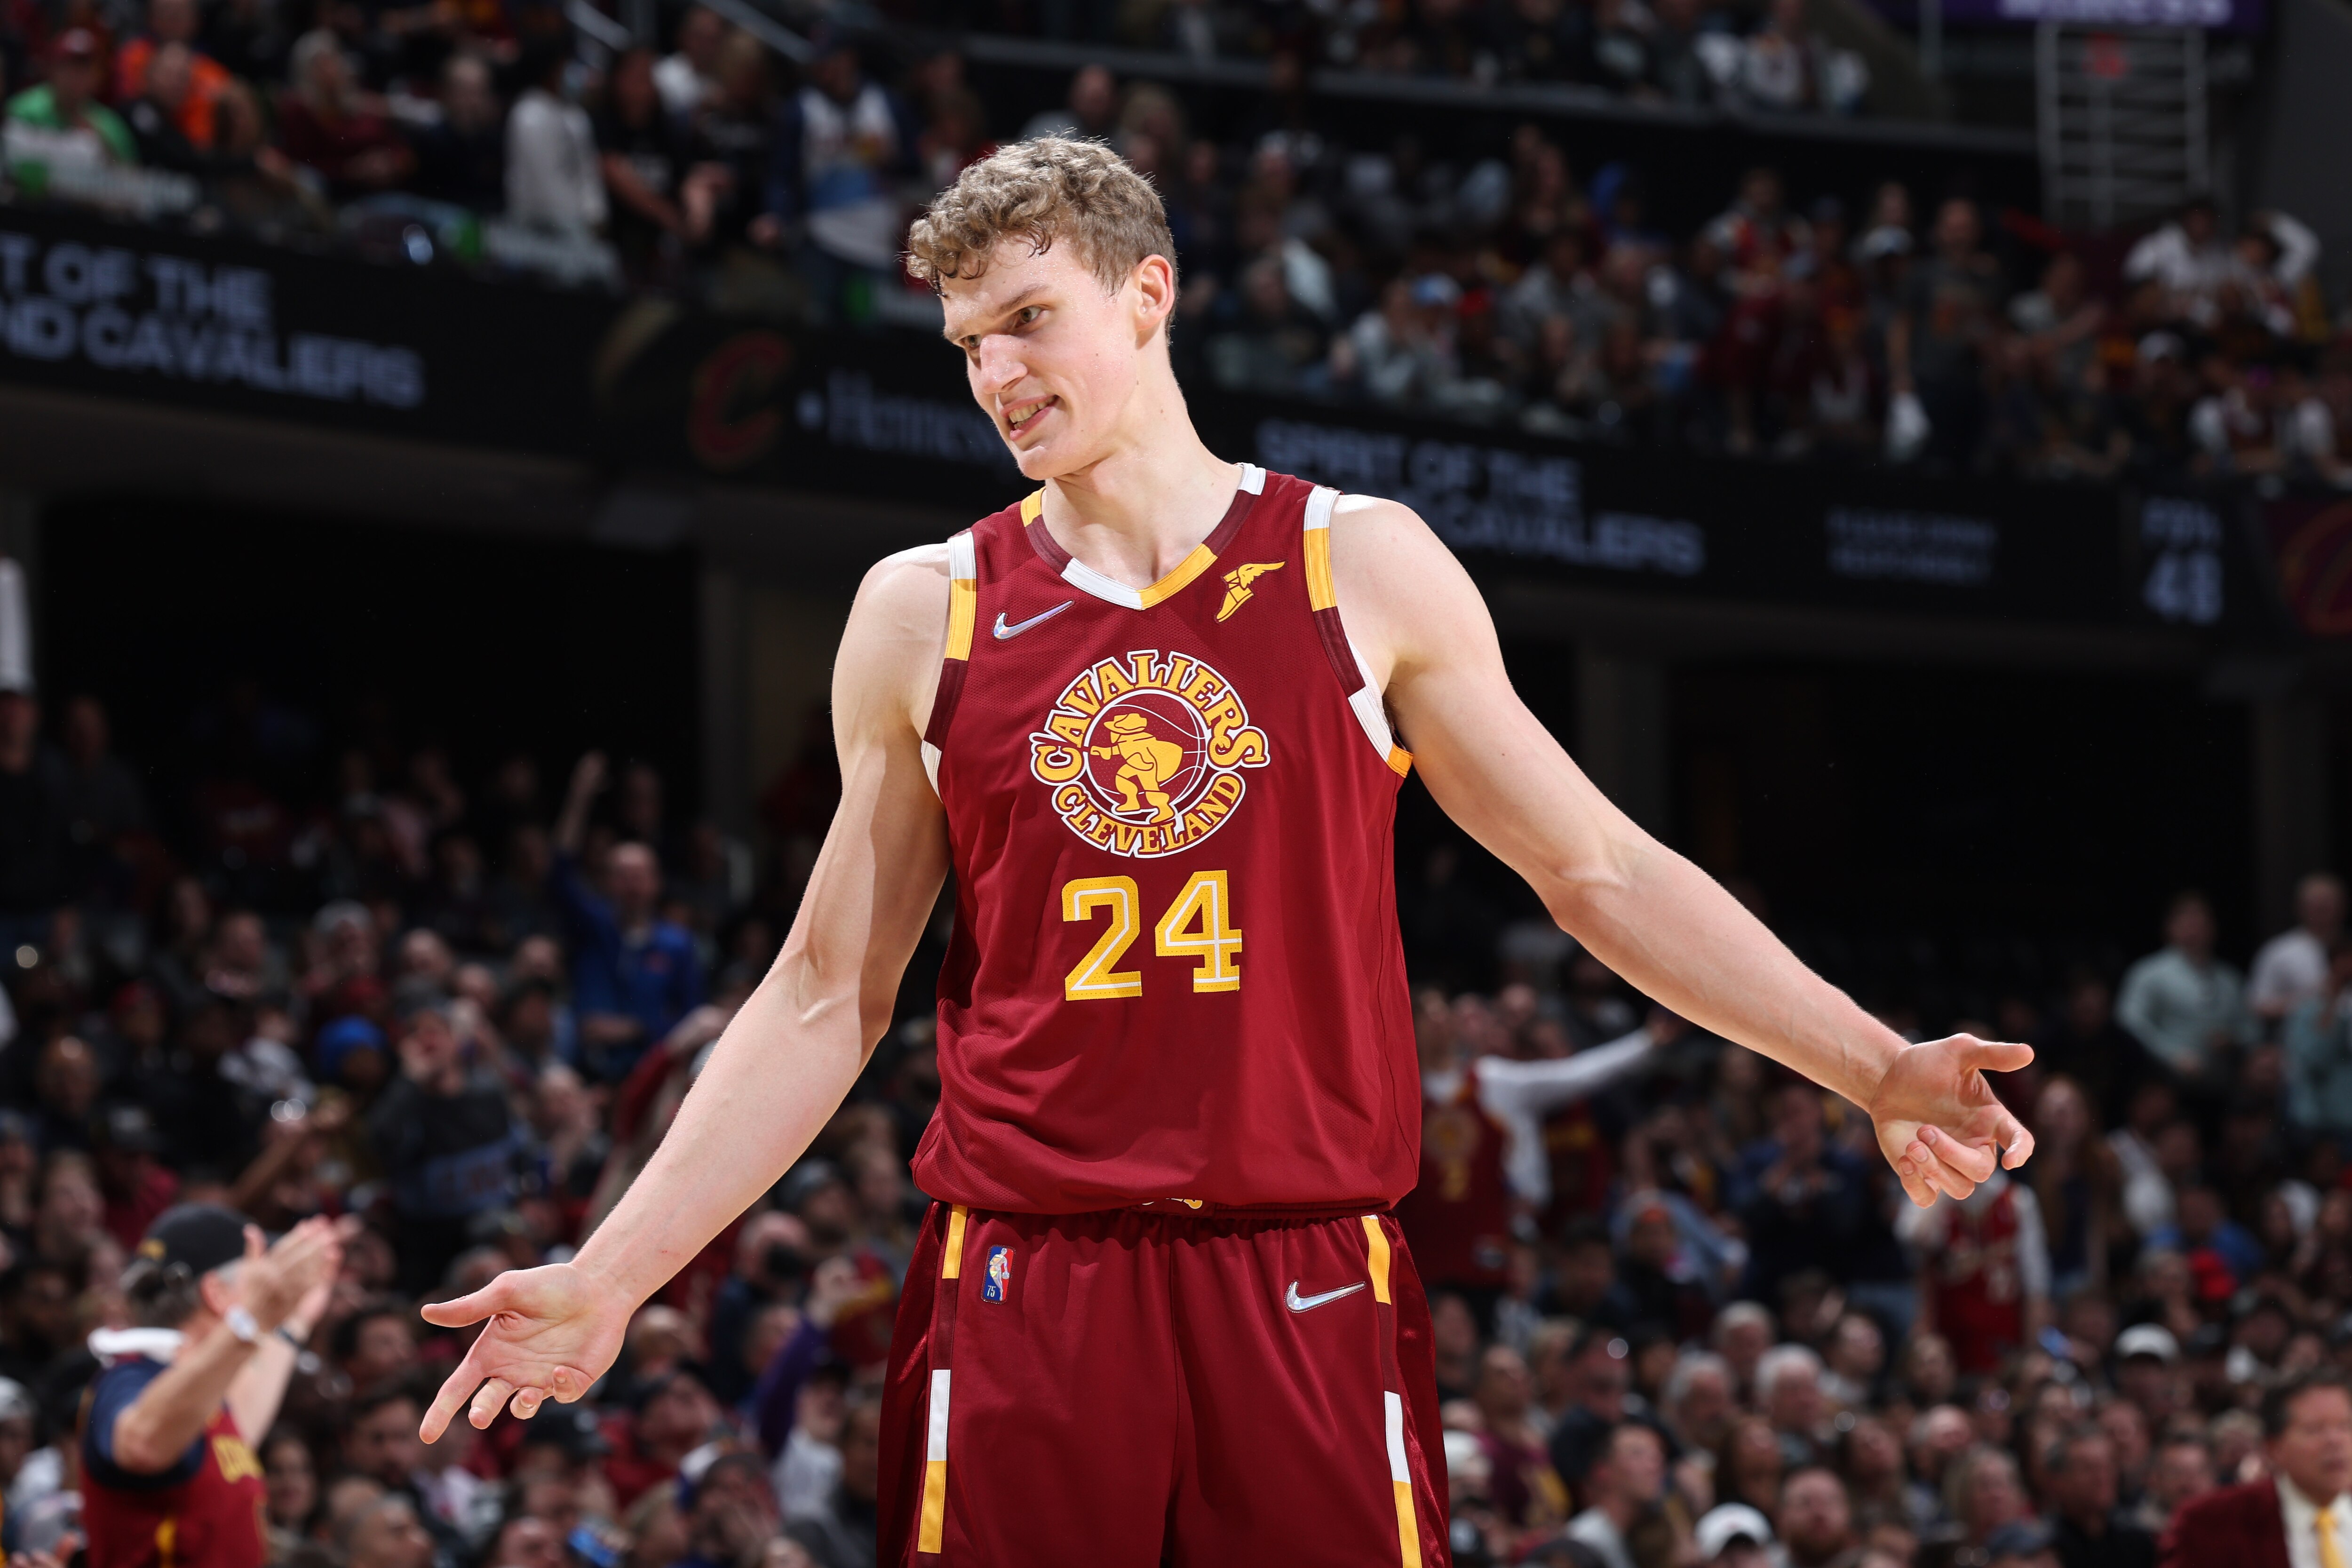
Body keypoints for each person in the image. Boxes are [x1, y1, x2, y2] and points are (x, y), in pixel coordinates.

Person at [415, 136, 2034, 1560]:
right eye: (969, 342)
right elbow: (828, 992)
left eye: (1029, 318)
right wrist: (618, 1274)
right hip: (1031, 1276)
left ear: (1147, 294)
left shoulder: (1361, 565)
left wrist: (1872, 1064)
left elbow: (1595, 870)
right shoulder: (926, 608)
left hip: (1306, 1264)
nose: (997, 374)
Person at [81, 1204, 343, 1568]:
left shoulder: (206, 1393)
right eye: (260, 1275)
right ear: (217, 1294)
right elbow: (141, 1443)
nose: (270, 1287)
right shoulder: (130, 1376)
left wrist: (294, 1320)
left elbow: (243, 1421)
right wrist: (251, 1320)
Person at [2158, 1368, 2352, 1567]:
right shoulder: (2211, 1524)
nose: (2335, 1441)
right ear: (2274, 1447)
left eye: (2346, 1426)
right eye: (2315, 1429)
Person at [2117, 892, 2253, 1090]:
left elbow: (2252, 1028)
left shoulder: (2229, 979)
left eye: (2201, 920)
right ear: (2170, 927)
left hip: (2222, 1087)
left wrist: (2234, 1040)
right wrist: (2173, 1056)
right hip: (2167, 1087)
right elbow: (2130, 1022)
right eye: (2187, 920)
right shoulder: (2149, 974)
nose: (2194, 927)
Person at [5, 30, 137, 166]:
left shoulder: (110, 126)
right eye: (68, 67)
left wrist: (99, 142)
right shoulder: (24, 109)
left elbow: (130, 176)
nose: (75, 77)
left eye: (84, 70)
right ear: (52, 69)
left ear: (98, 77)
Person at [2252, 874, 2346, 1025]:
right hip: (2300, 1038)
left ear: (2343, 906)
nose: (2322, 912)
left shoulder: (2347, 945)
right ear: (2300, 907)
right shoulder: (2279, 951)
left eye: (2328, 905)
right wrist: (2308, 1003)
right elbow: (2259, 1005)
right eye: (2316, 906)